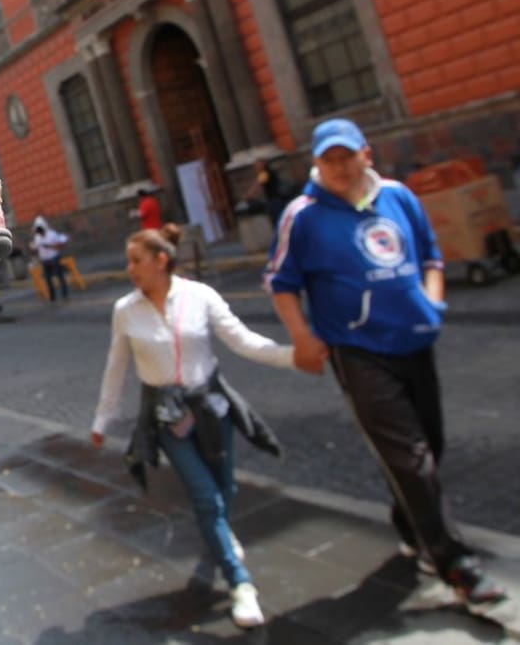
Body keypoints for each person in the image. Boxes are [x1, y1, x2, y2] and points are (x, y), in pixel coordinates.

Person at [265, 117, 506, 605]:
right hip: (359, 353)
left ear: (365, 155)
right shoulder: (303, 215)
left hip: (415, 341)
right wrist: (302, 337)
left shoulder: (399, 196)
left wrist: (433, 303)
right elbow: (281, 283)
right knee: (412, 457)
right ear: (316, 163)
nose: (338, 166)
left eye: (346, 156)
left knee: (428, 448)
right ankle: (453, 563)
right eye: (327, 158)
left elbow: (432, 257)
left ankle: (411, 524)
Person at [91, 223, 304, 629]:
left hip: (210, 406)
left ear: (161, 260)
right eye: (128, 261)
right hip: (165, 416)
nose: (129, 268)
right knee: (205, 496)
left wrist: (292, 356)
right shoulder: (125, 311)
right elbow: (115, 369)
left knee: (225, 487)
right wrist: (103, 419)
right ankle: (240, 583)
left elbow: (241, 341)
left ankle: (221, 533)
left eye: (136, 260)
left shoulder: (200, 296)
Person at [30, 220, 69, 301]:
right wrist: (33, 249)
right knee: (48, 279)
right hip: (45, 260)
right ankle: (52, 296)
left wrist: (49, 246)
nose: (40, 233)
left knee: (59, 275)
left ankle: (64, 292)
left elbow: (60, 244)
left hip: (54, 257)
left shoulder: (52, 234)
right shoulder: (37, 237)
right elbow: (36, 249)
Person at [244, 159, 288, 226]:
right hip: (276, 198)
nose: (256, 167)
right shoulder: (269, 171)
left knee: (277, 219)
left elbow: (257, 185)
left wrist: (249, 195)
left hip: (274, 199)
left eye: (257, 165)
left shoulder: (265, 173)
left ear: (263, 164)